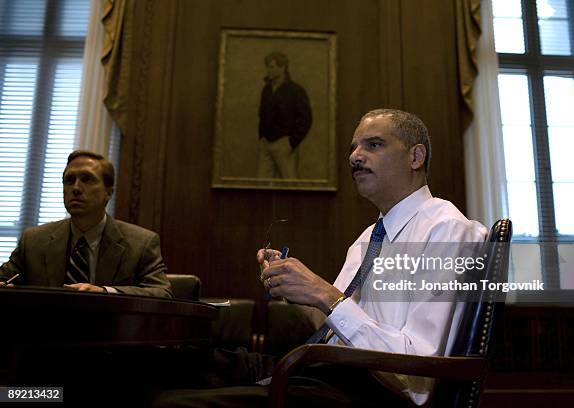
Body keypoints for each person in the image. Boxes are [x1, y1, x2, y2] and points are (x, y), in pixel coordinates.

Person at [154, 109, 486, 407]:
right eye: (353, 148)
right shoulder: (368, 238)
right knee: (171, 362)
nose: (355, 156)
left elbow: (417, 370)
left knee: (173, 404)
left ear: (416, 156)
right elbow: (335, 324)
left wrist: (323, 294)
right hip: (324, 368)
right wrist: (297, 292)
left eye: (373, 145)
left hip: (373, 392)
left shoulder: (448, 231)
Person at [0, 150, 172, 298]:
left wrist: (105, 292)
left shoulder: (141, 243)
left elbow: (161, 292)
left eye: (87, 179)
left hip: (112, 332)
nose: (76, 188)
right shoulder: (34, 241)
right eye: (69, 180)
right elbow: (5, 278)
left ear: (108, 192)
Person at [257, 51, 312, 179]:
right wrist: (262, 138)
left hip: (284, 145)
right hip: (265, 145)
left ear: (282, 68)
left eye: (271, 67)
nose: (268, 70)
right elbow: (262, 114)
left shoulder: (295, 91)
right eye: (267, 67)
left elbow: (306, 119)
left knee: (290, 185)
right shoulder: (266, 90)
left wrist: (291, 142)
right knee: (260, 186)